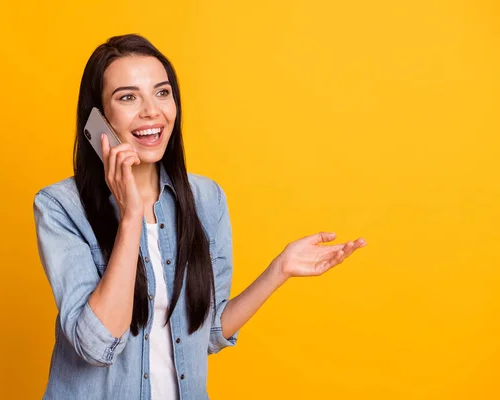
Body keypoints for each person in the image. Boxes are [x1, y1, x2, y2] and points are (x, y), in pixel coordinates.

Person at [33, 33, 366, 400]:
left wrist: (279, 270)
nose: (151, 111)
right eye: (128, 97)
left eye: (162, 93)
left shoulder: (207, 199)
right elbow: (96, 347)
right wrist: (130, 218)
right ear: (97, 118)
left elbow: (204, 333)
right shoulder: (61, 206)